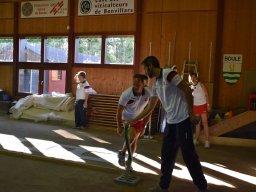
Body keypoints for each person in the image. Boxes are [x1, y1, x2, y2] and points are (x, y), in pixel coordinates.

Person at [126, 56, 208, 192]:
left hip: (183, 120)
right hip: (170, 124)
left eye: (146, 69)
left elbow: (187, 90)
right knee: (167, 155)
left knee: (189, 156)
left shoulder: (169, 74)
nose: (145, 72)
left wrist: (191, 114)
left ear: (151, 66)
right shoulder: (156, 84)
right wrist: (134, 119)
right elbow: (150, 107)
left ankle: (203, 187)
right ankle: (163, 187)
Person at [116, 74, 151, 169]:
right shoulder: (126, 94)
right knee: (132, 138)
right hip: (127, 119)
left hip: (140, 118)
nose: (135, 86)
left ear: (144, 84)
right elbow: (119, 111)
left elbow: (149, 111)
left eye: (138, 84)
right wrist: (119, 126)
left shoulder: (148, 93)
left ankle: (129, 162)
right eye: (134, 84)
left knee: (134, 141)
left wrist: (144, 126)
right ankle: (122, 153)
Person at [189, 73, 211, 148]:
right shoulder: (191, 86)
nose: (193, 79)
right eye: (192, 78)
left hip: (203, 105)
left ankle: (207, 141)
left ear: (196, 78)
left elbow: (207, 94)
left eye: (194, 77)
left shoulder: (201, 84)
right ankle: (196, 140)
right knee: (197, 124)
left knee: (205, 123)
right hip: (196, 107)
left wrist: (208, 105)